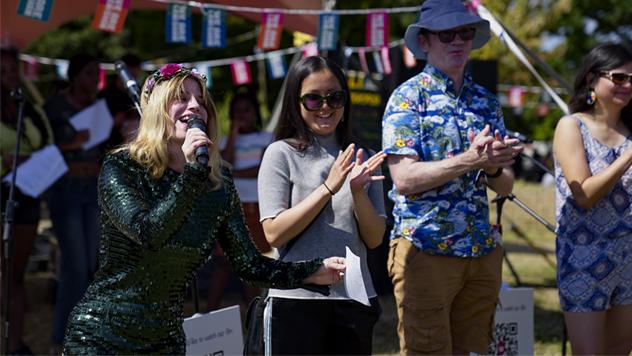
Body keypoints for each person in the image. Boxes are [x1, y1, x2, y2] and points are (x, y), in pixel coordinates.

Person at [61, 63, 346, 354]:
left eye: (201, 101)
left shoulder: (217, 184)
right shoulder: (123, 167)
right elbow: (147, 232)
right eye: (182, 98)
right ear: (158, 110)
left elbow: (249, 265)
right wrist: (192, 174)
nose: (195, 106)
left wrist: (313, 270)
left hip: (165, 343)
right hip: (101, 338)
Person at [381, 0, 523, 354]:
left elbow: (505, 185)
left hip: (478, 249)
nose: (458, 41)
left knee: (474, 350)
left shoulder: (485, 100)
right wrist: (470, 160)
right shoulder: (407, 98)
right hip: (426, 251)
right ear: (425, 42)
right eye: (447, 34)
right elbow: (403, 179)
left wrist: (491, 165)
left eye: (465, 32)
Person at [258, 56, 386, 355]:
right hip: (296, 299)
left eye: (334, 97)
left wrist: (357, 192)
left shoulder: (365, 155)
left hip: (353, 299)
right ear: (296, 102)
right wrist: (329, 187)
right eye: (313, 99)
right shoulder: (280, 153)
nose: (325, 107)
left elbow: (375, 238)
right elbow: (274, 234)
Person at [553, 43, 632, 355]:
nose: (628, 85)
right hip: (582, 258)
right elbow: (584, 194)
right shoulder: (571, 126)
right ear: (591, 79)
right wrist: (627, 158)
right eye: (619, 77)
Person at [42, 52, 102, 350]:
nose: (95, 80)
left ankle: (85, 329)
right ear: (75, 75)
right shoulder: (54, 106)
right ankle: (62, 336)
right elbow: (40, 147)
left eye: (97, 74)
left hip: (93, 187)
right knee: (75, 265)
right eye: (90, 73)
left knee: (92, 263)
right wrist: (71, 142)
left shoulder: (97, 105)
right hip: (65, 189)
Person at [0, 47, 53, 355]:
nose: (10, 76)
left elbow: (46, 139)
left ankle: (16, 344)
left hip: (27, 194)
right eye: (3, 71)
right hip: (1, 194)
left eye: (12, 70)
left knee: (15, 276)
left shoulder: (26, 107)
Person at [207, 89, 273, 310]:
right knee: (222, 261)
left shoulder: (267, 138)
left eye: (246, 110)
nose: (242, 115)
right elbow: (223, 165)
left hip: (256, 207)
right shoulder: (226, 141)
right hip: (231, 206)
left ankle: (253, 310)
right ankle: (210, 310)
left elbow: (263, 169)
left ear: (256, 113)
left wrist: (234, 173)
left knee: (251, 261)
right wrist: (233, 134)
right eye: (237, 112)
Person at [98, 53, 142, 149]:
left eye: (135, 76)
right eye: (130, 75)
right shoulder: (106, 95)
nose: (132, 80)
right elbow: (97, 126)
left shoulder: (139, 92)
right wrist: (112, 122)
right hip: (110, 146)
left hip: (136, 145)